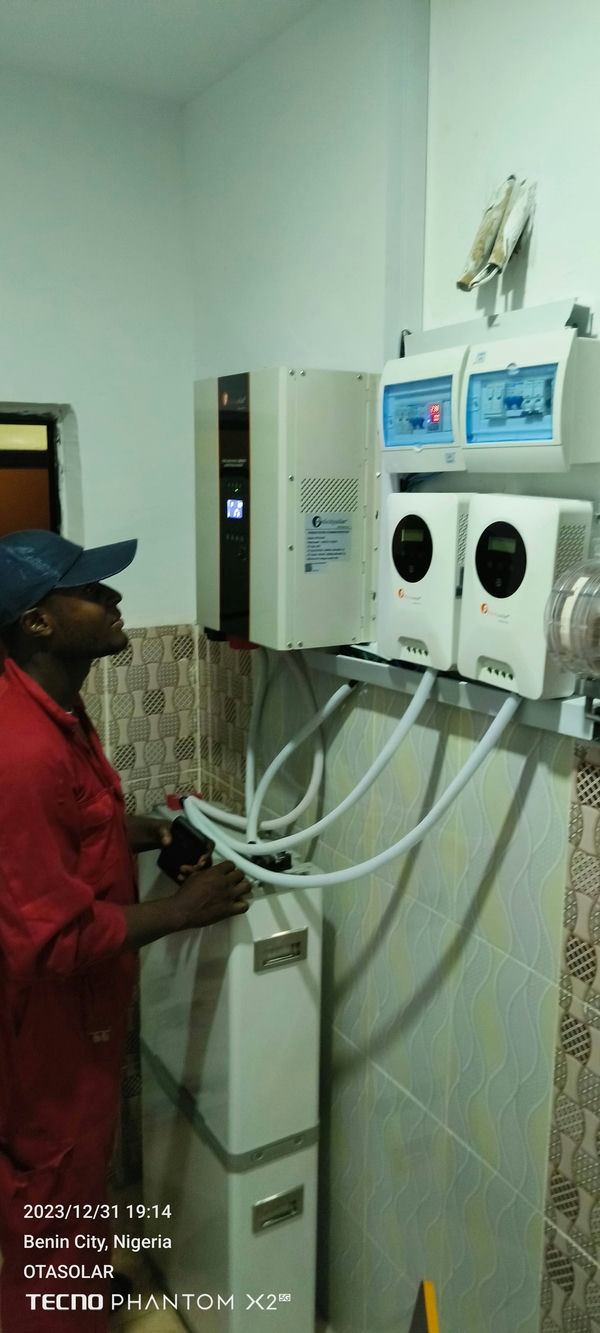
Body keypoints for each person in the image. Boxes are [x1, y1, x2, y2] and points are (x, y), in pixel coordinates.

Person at [0, 529, 250, 1332]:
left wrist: (154, 830)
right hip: (48, 1024)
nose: (114, 600)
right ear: (37, 622)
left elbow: (81, 824)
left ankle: (71, 1285)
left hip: (81, 1014)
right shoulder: (25, 749)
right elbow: (47, 940)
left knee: (71, 1186)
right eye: (91, 590)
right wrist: (187, 908)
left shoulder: (54, 707)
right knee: (54, 1182)